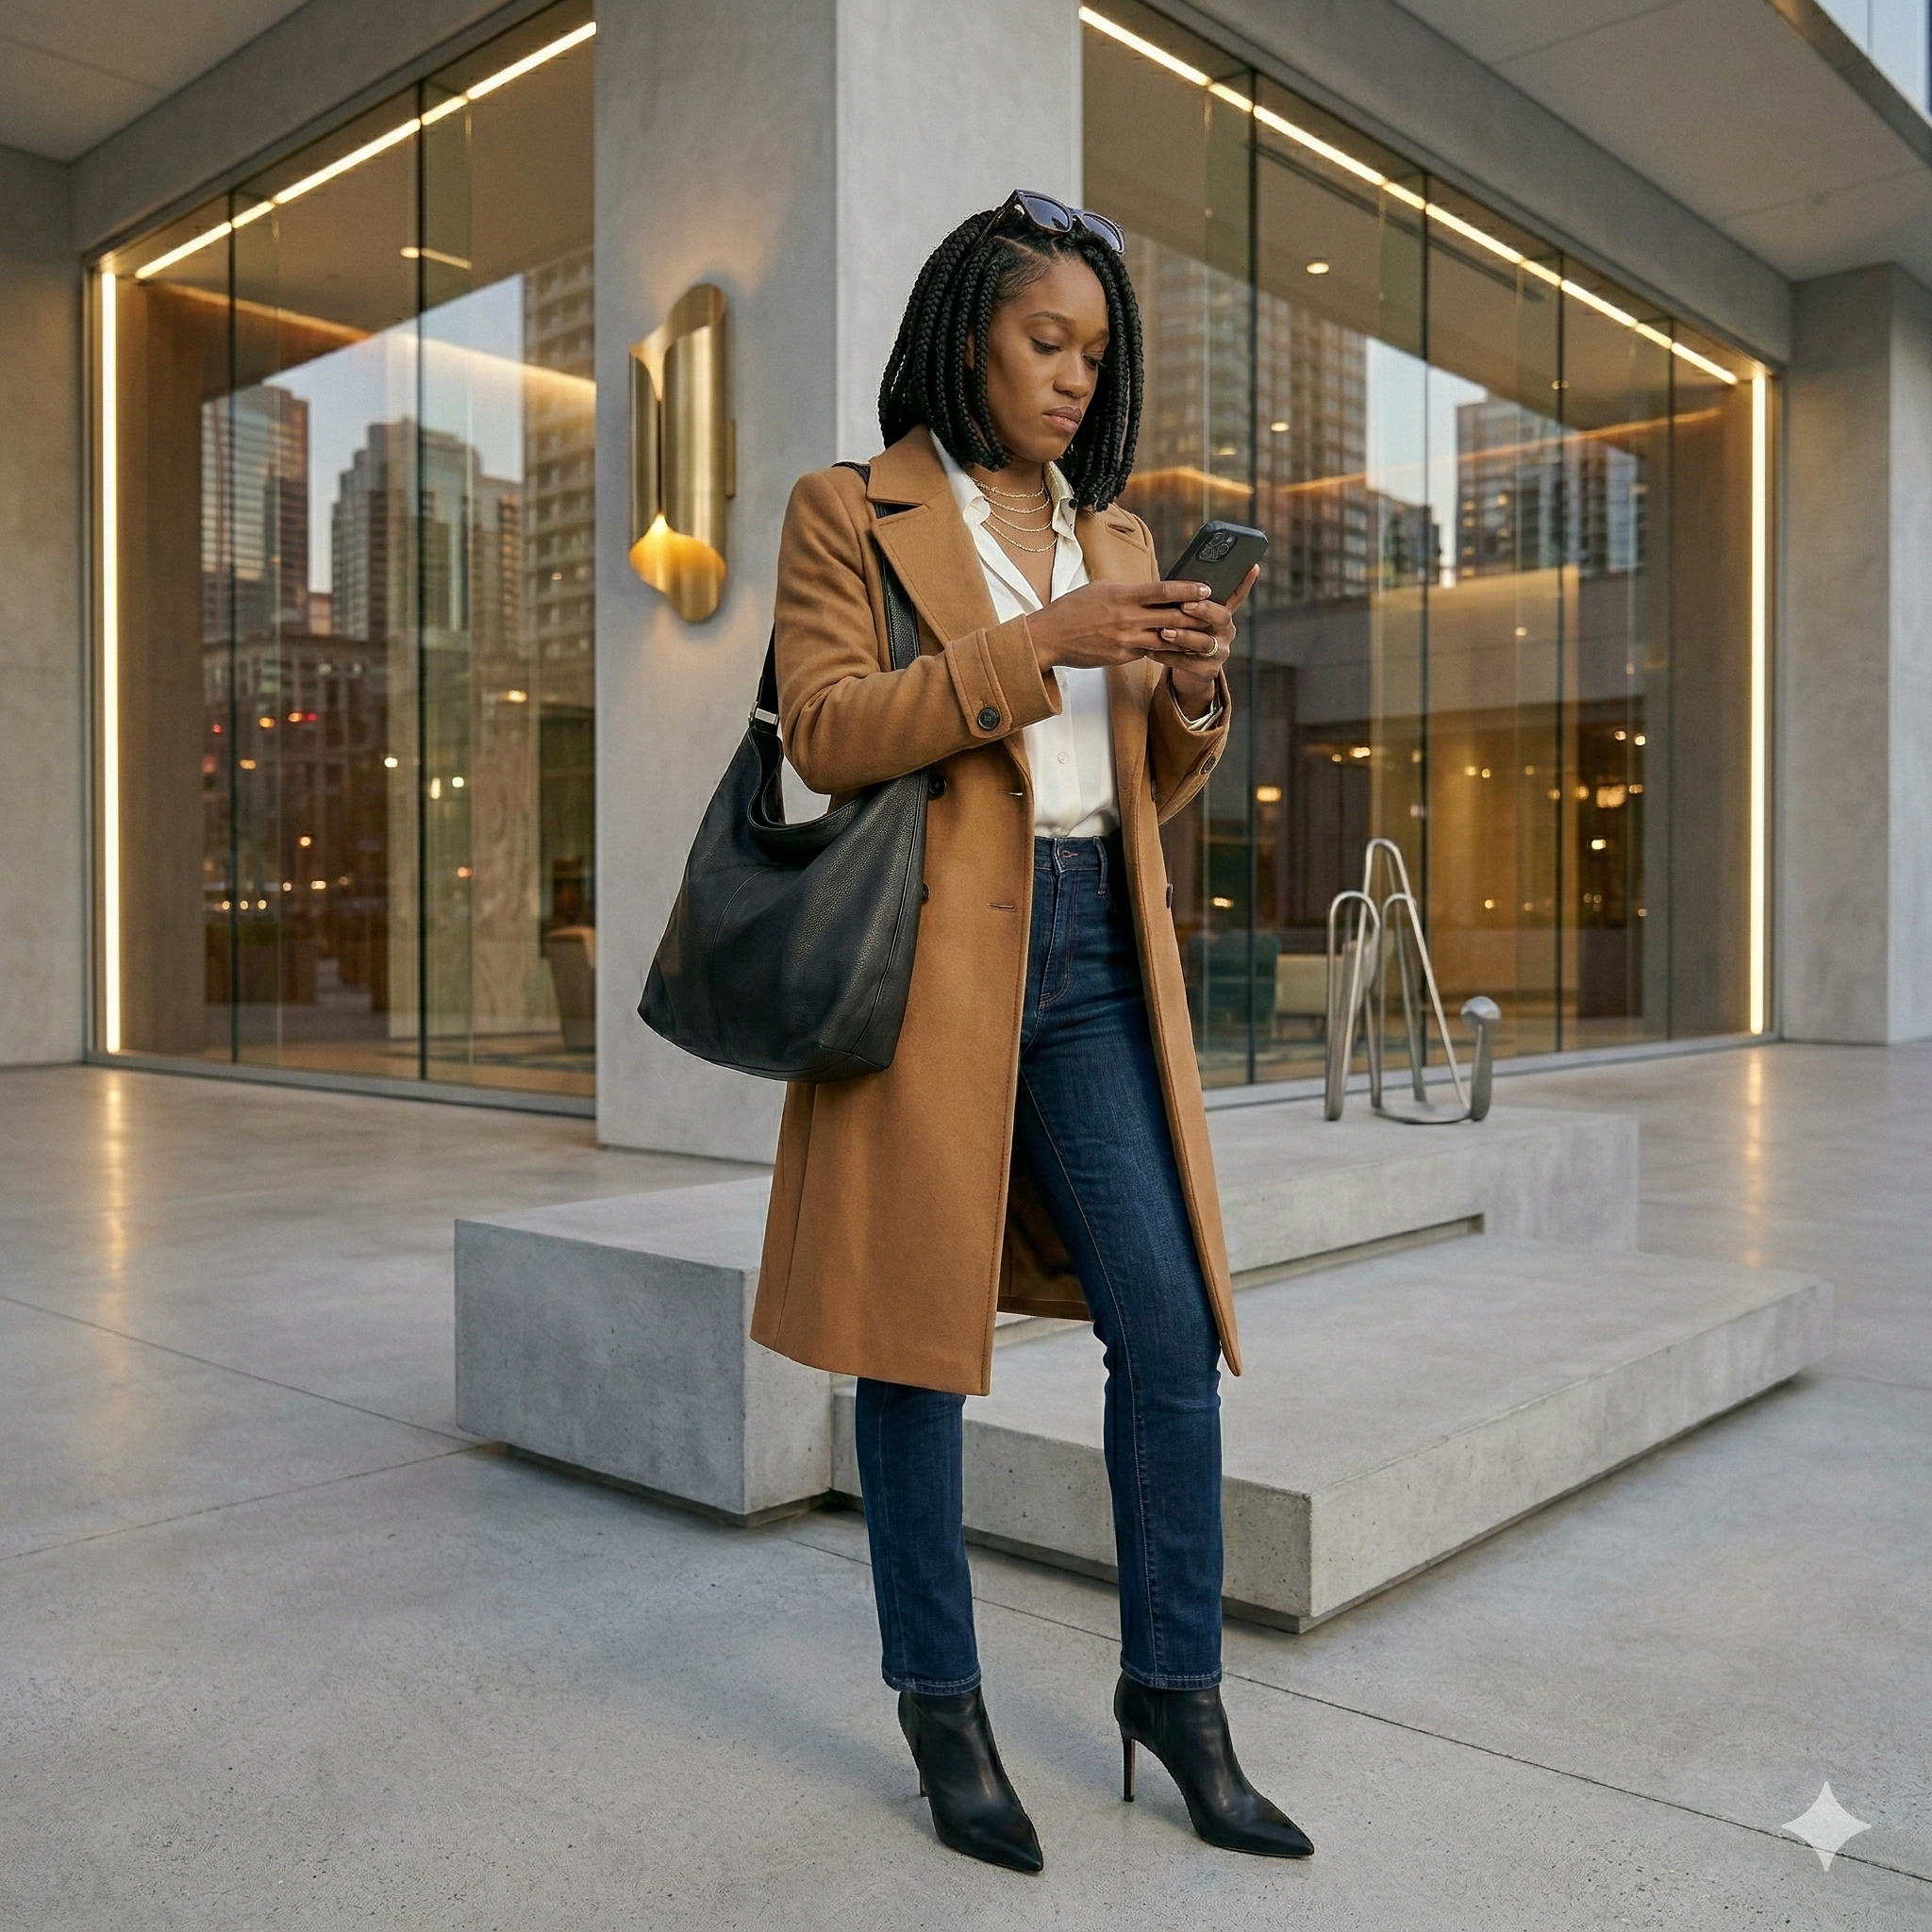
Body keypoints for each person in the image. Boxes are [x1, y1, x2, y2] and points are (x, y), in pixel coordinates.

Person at [749, 191, 1313, 1874]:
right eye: (1042, 341)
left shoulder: (1121, 538)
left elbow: (1139, 774)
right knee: (915, 1354)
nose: (1074, 377)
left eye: (1095, 350)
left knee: (1167, 1331)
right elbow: (832, 728)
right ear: (965, 335)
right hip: (924, 966)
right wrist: (1039, 643)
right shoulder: (850, 510)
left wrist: (1195, 687)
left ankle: (1178, 1697)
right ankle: (943, 1711)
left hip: (1092, 955)